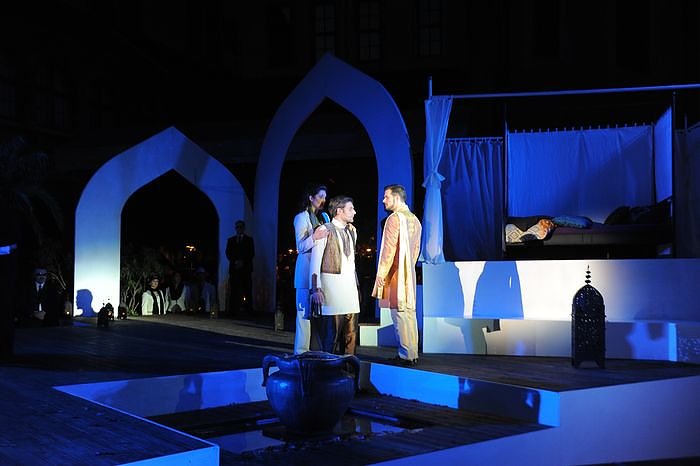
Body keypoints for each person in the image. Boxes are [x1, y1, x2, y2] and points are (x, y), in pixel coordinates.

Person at [372, 184, 422, 366]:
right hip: (408, 270)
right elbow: (416, 249)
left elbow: (388, 249)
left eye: (386, 197)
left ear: (397, 197)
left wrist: (381, 273)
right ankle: (412, 353)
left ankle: (405, 355)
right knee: (409, 312)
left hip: (397, 272)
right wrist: (409, 266)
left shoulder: (394, 219)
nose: (383, 200)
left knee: (399, 313)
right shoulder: (415, 219)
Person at [309, 195, 360, 355]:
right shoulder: (324, 230)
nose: (354, 212)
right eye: (350, 209)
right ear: (339, 211)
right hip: (332, 290)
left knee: (351, 336)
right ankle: (327, 368)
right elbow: (315, 261)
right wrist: (315, 288)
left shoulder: (352, 231)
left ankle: (349, 368)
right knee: (331, 337)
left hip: (350, 290)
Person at [292, 183, 330, 354]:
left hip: (320, 272)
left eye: (325, 197)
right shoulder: (301, 218)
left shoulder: (324, 217)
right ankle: (300, 353)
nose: (323, 200)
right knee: (304, 314)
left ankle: (315, 350)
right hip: (305, 271)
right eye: (320, 196)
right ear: (311, 198)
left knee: (318, 315)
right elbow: (300, 247)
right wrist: (314, 237)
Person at [226, 220, 254, 314]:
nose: (239, 228)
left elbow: (251, 253)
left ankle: (248, 310)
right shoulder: (231, 240)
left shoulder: (249, 240)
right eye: (237, 227)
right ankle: (233, 310)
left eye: (240, 226)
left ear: (244, 228)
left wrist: (243, 262)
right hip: (234, 269)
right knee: (234, 289)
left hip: (246, 269)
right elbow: (228, 253)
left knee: (247, 289)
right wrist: (235, 262)